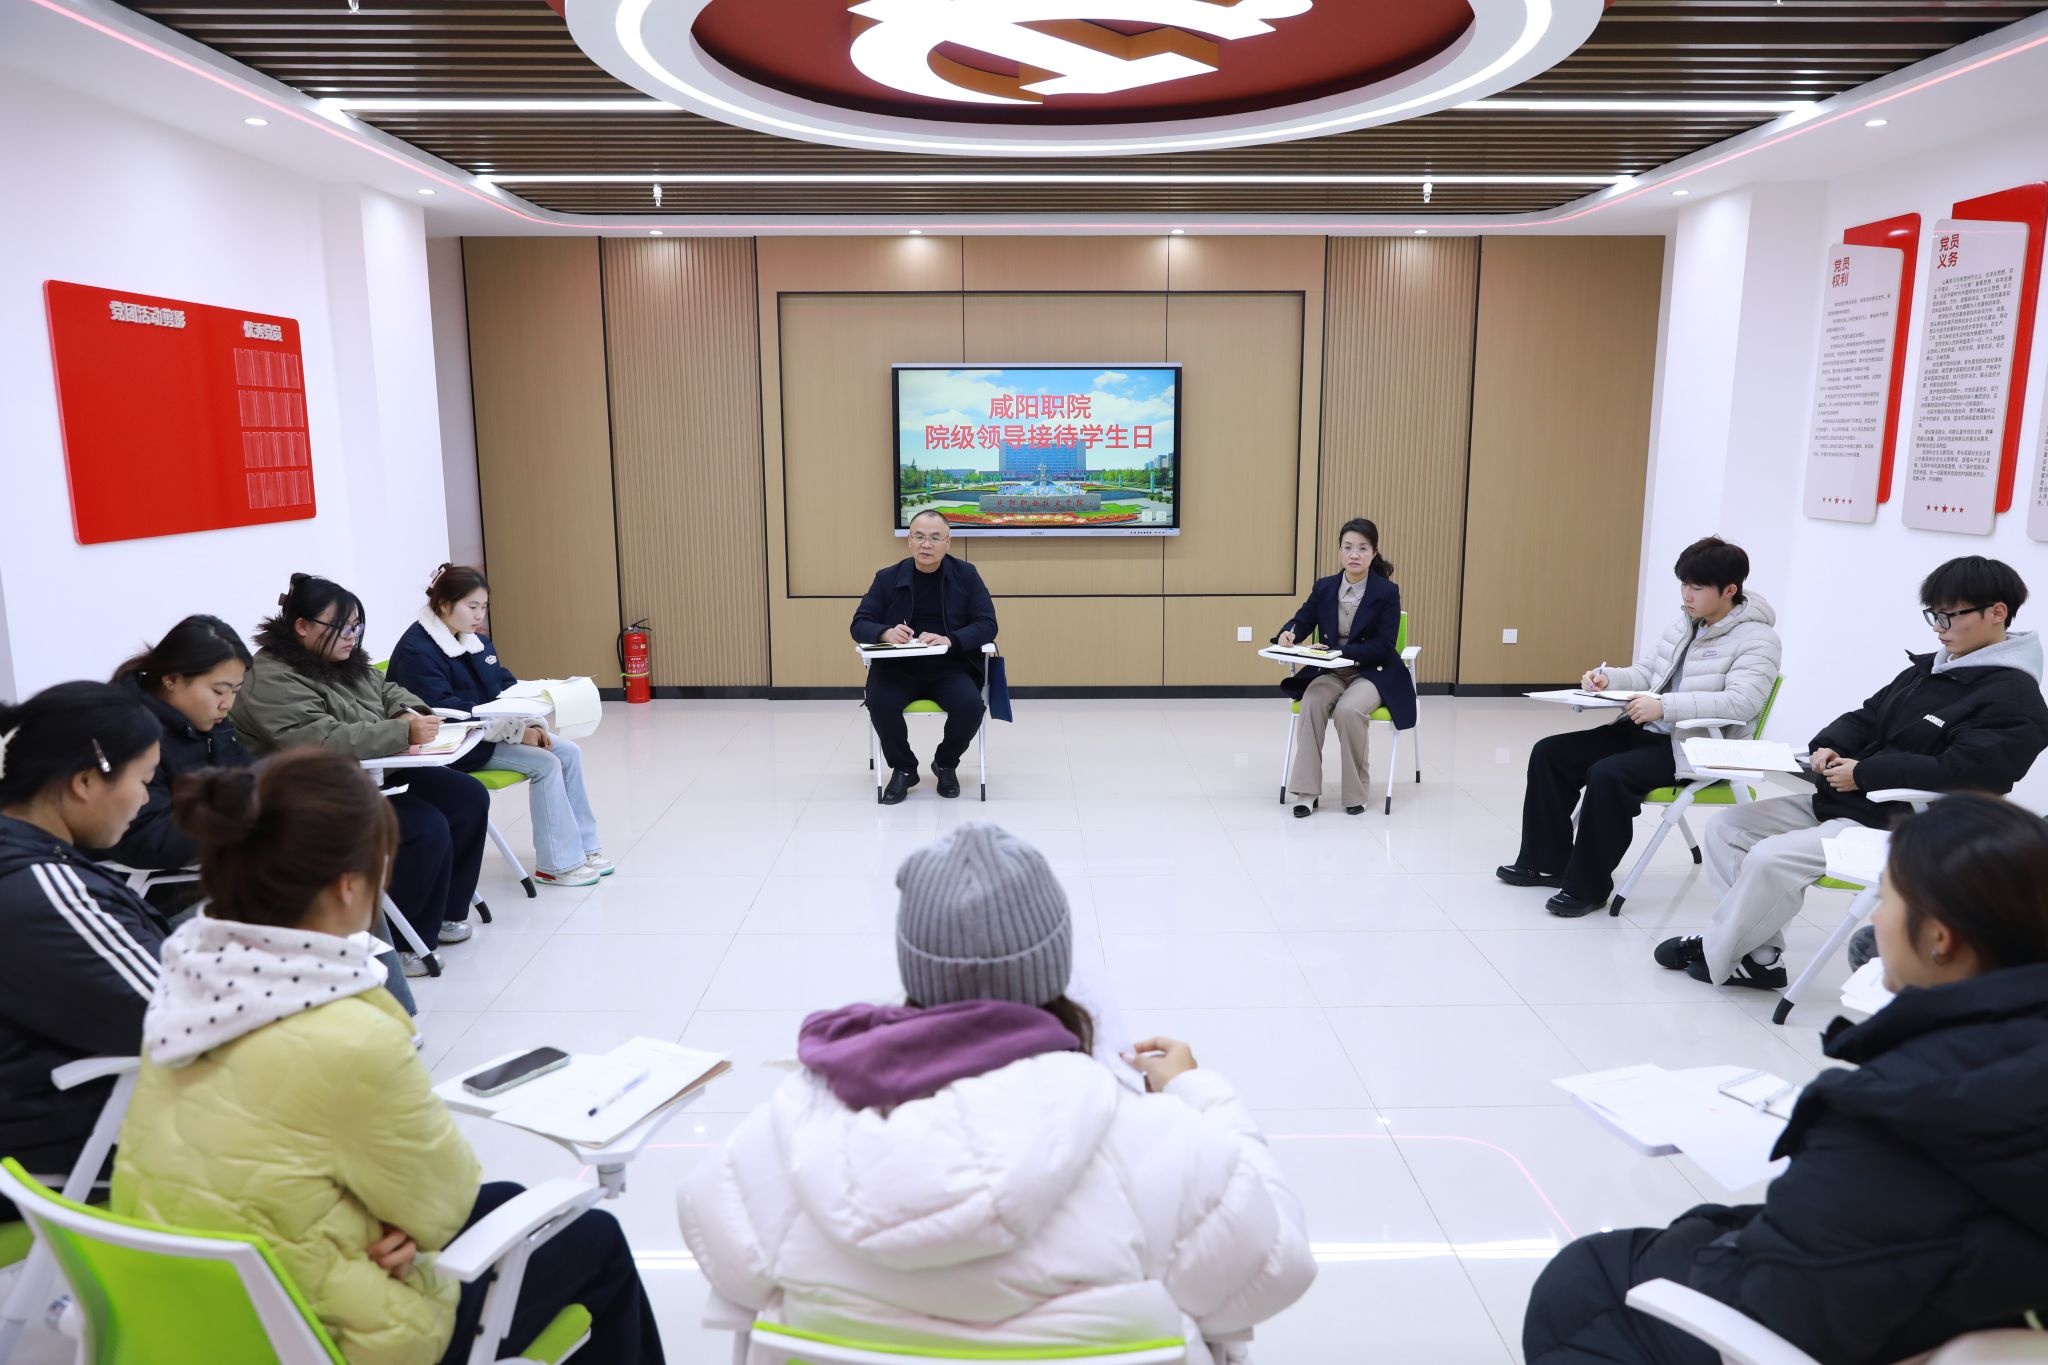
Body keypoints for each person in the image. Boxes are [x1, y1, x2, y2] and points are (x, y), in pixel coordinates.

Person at [678, 822, 1316, 1360]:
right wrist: (1201, 1093)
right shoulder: (1162, 1149)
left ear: (915, 972)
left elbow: (721, 1257)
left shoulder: (785, 1137)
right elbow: (1276, 1268)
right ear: (1055, 969)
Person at [110, 749, 664, 1365]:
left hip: (186, 1304)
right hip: (327, 1332)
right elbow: (443, 1209)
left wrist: (398, 1222)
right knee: (592, 1237)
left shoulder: (191, 977)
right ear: (349, 883)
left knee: (506, 1196)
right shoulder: (348, 1032)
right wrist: (406, 1228)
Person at [1525, 793, 2048, 1365]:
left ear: (1940, 938)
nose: (1874, 921)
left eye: (1885, 899)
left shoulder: (1898, 1111)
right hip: (1971, 1298)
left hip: (1833, 1318)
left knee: (1585, 1276)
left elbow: (1781, 1293)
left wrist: (1716, 1229)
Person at [1655, 556, 2048, 990]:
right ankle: (1758, 956)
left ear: (1997, 612)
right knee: (1727, 827)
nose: (1939, 627)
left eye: (1950, 615)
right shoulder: (1933, 669)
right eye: (1934, 615)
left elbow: (1971, 773)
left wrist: (1866, 774)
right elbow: (1869, 715)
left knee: (1771, 857)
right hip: (1848, 801)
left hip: (1902, 823)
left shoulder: (2015, 699)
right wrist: (1830, 745)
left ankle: (1717, 950)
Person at [1497, 537, 1780, 915]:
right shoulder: (1686, 624)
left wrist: (1665, 707)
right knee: (1551, 753)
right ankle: (1547, 863)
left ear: (1729, 590)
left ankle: (1588, 887)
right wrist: (1608, 679)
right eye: (1684, 584)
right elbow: (1648, 673)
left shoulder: (1759, 640)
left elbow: (1742, 702)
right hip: (1645, 729)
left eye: (1697, 587)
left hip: (1694, 746)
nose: (1687, 595)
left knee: (1608, 774)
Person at [232, 574, 489, 971]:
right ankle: (404, 943)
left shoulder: (341, 658)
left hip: (369, 768)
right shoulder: (271, 678)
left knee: (467, 797)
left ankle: (444, 913)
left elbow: (387, 689)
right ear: (302, 626)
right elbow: (320, 740)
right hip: (307, 791)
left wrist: (408, 712)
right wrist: (401, 732)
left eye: (357, 626)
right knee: (422, 826)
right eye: (342, 628)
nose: (352, 637)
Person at [0, 681, 163, 1209]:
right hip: (52, 1154)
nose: (146, 799)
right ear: (87, 780)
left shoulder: (30, 862)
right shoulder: (41, 887)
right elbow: (178, 1020)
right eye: (144, 781)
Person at [387, 564, 610, 889]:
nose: (480, 615)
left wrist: (531, 721)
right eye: (472, 606)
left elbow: (502, 686)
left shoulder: (473, 641)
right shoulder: (417, 651)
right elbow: (444, 712)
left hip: (485, 732)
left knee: (569, 751)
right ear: (444, 604)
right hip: (453, 744)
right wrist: (517, 733)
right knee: (547, 764)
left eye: (484, 607)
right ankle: (557, 865)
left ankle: (586, 847)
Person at [88, 614, 254, 915]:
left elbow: (251, 781)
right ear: (172, 679)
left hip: (216, 877)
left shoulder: (211, 723)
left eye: (236, 691)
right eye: (219, 691)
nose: (227, 704)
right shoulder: (128, 732)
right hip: (160, 900)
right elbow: (144, 838)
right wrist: (240, 821)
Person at [850, 511, 999, 805]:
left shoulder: (966, 576)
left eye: (934, 538)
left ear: (948, 542)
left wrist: (951, 639)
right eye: (918, 537)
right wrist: (886, 633)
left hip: (950, 666)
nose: (926, 545)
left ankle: (945, 762)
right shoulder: (887, 578)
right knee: (880, 701)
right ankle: (904, 768)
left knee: (971, 706)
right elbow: (859, 623)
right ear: (909, 540)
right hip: (897, 669)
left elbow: (987, 624)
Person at [1271, 517, 1416, 816]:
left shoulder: (1386, 592)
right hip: (1332, 671)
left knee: (1349, 710)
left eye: (1362, 548)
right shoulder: (1325, 587)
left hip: (1372, 672)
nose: (1354, 555)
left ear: (1373, 553)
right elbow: (1302, 619)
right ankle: (1307, 792)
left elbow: (1384, 646)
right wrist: (1289, 633)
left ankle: (1355, 794)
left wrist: (1339, 651)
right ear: (1339, 551)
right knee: (1311, 701)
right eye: (1348, 547)